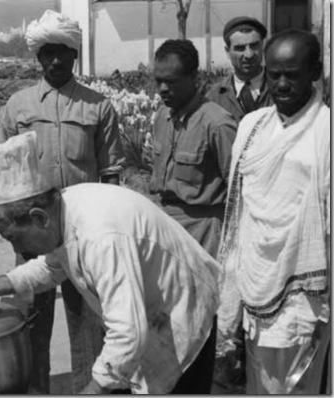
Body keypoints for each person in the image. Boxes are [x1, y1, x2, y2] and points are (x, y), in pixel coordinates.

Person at [0, 131, 220, 394]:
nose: (15, 248)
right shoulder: (63, 212)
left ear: (39, 217)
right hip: (146, 319)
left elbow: (128, 334)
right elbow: (52, 266)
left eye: (13, 238)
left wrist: (93, 389)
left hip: (181, 317)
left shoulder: (101, 237)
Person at [0, 10, 125, 393]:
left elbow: (111, 174)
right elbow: (5, 175)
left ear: (74, 54)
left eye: (63, 52)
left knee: (87, 319)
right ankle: (37, 390)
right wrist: (13, 232)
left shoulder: (97, 106)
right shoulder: (17, 107)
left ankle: (87, 387)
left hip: (81, 234)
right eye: (47, 53)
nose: (55, 60)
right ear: (38, 56)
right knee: (33, 320)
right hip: (33, 234)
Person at [217, 29, 330, 394]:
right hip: (255, 284)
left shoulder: (326, 130)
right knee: (261, 384)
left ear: (315, 72)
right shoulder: (252, 126)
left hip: (306, 293)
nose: (281, 83)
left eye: (292, 74)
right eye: (274, 73)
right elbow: (238, 214)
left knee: (299, 386)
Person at [148, 39, 237, 259]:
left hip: (204, 232)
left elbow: (239, 190)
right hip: (164, 225)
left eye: (171, 82)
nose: (163, 89)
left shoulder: (217, 124)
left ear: (194, 78)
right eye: (158, 81)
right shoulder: (162, 116)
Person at [206, 17, 273, 122]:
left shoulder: (281, 88)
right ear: (228, 51)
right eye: (240, 48)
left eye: (254, 46)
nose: (249, 54)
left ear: (262, 47)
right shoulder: (215, 97)